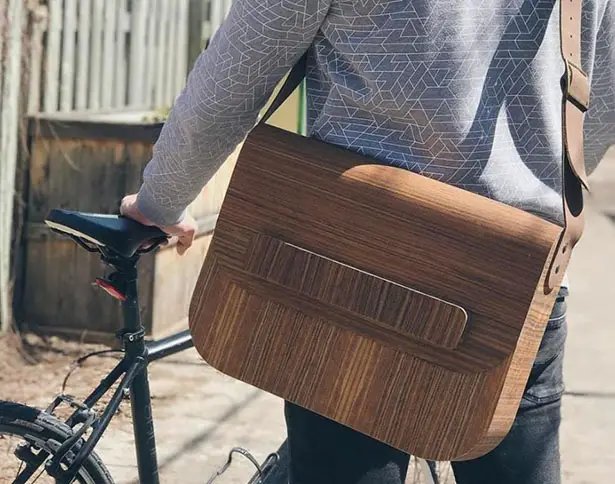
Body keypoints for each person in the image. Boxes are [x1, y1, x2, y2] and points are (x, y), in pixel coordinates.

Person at [121, 1, 614, 483]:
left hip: (354, 266)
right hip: (513, 281)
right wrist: (526, 184)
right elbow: (603, 102)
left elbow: (234, 75)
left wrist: (160, 201)